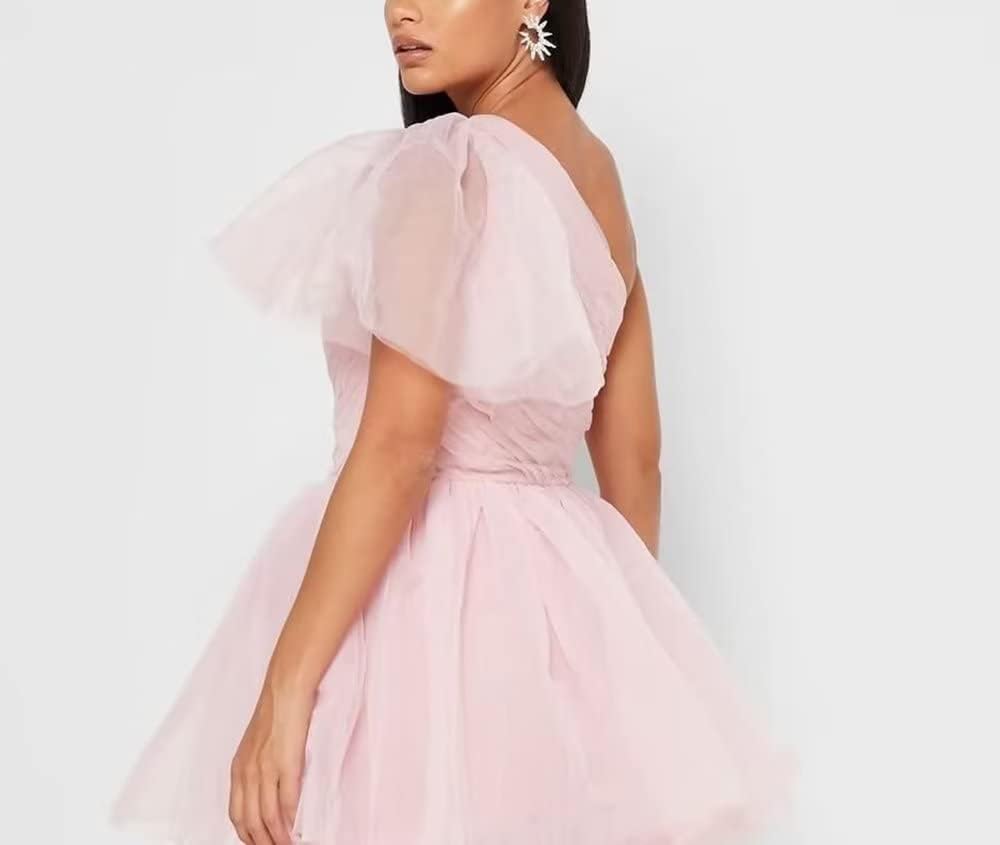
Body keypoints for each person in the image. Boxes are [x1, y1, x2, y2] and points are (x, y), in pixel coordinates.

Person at [109, 2, 797, 843]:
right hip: (543, 620)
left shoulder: (442, 165)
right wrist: (613, 660)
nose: (403, 9)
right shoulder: (599, 180)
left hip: (414, 601)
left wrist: (285, 689)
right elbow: (637, 457)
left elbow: (400, 443)